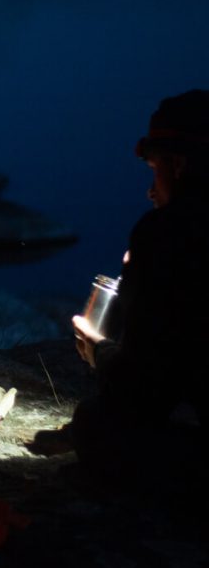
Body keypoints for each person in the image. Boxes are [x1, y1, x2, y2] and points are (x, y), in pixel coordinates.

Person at [61, 90, 209, 484]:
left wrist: (100, 349)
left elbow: (142, 394)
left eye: (153, 169)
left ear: (177, 165)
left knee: (93, 424)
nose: (150, 190)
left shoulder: (169, 233)